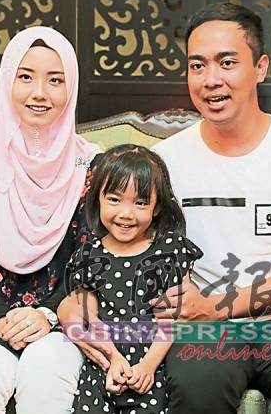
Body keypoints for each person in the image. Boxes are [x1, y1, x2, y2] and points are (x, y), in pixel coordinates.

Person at [60, 2, 271, 414]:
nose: (211, 79)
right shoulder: (164, 162)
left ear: (260, 68)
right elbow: (115, 250)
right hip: (202, 327)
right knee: (194, 384)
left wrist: (216, 307)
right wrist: (73, 309)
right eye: (197, 66)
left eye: (227, 63)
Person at [0, 26, 99, 414]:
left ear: (71, 88)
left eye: (55, 80)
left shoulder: (92, 168)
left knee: (47, 376)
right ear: (6, 82)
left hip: (62, 315)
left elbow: (93, 257)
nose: (39, 93)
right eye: (25, 77)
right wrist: (2, 317)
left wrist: (46, 313)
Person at [66, 144, 202, 414]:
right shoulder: (89, 255)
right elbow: (88, 318)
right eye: (114, 200)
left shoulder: (169, 250)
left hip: (153, 368)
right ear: (98, 198)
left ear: (157, 206)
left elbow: (173, 319)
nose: (126, 213)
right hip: (103, 369)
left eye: (140, 203)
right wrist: (113, 359)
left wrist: (148, 366)